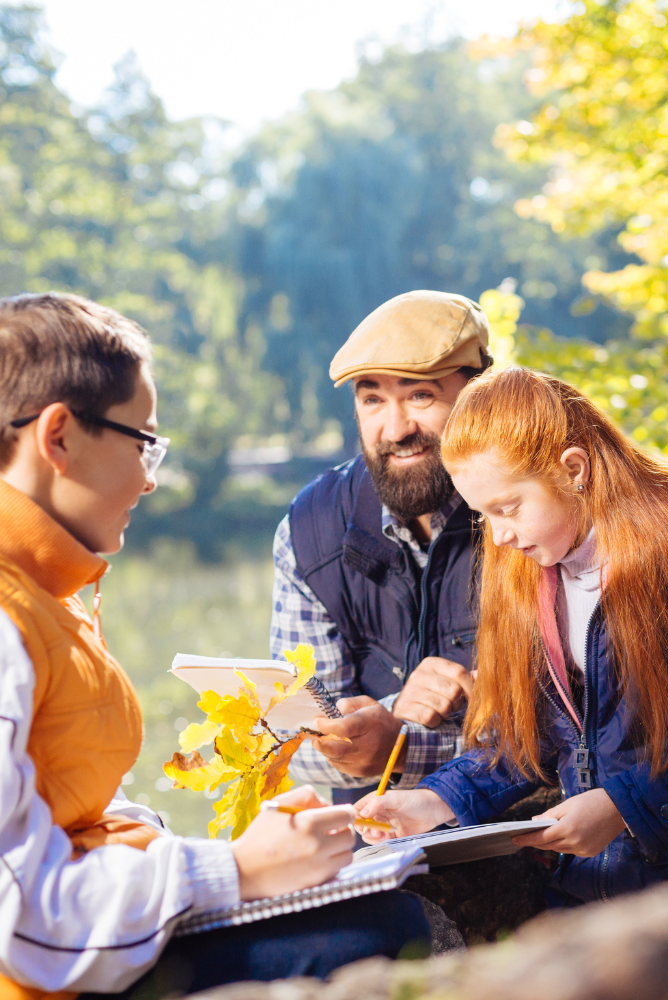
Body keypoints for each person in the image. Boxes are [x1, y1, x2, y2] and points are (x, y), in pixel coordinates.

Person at [0, 293, 428, 1000]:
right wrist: (233, 872)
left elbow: (62, 816)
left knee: (377, 916)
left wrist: (199, 853)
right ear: (58, 438)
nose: (151, 476)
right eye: (143, 441)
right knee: (367, 938)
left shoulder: (50, 591)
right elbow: (18, 914)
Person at [355, 367, 668, 902]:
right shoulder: (534, 568)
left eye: (508, 508)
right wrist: (438, 799)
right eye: (484, 516)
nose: (499, 536)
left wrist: (623, 806)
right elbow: (533, 731)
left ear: (573, 469)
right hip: (602, 885)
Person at [272, 291, 491, 802]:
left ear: (480, 393)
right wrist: (390, 716)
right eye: (372, 399)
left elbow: (572, 736)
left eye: (420, 396)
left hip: (530, 839)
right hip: (376, 851)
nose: (395, 429)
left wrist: (401, 746)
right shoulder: (309, 531)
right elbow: (290, 737)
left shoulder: (529, 512)